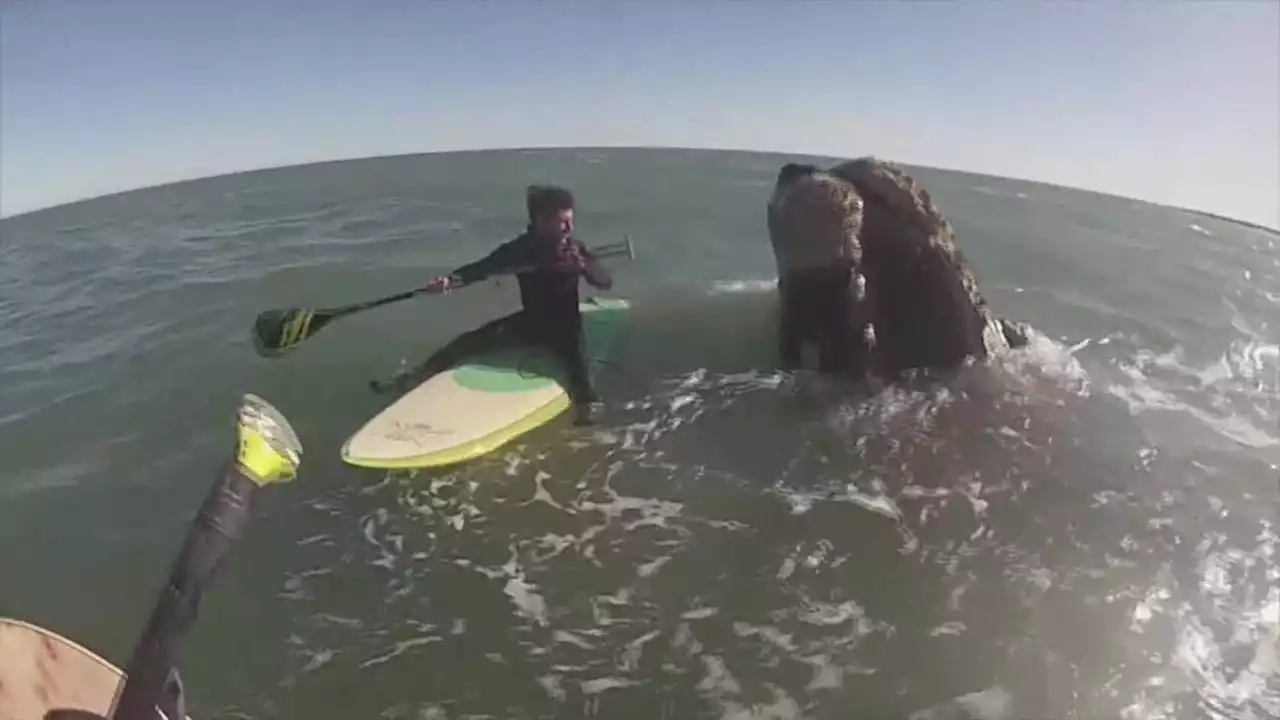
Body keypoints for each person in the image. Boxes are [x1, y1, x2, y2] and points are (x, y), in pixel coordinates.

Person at [375, 185, 612, 425]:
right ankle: (414, 378)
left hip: (566, 327)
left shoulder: (575, 248)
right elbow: (482, 268)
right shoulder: (519, 251)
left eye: (571, 221)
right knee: (465, 343)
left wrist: (583, 265)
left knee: (580, 372)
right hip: (530, 323)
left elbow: (605, 282)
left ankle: (588, 404)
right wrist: (449, 281)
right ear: (541, 221)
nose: (569, 228)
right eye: (562, 222)